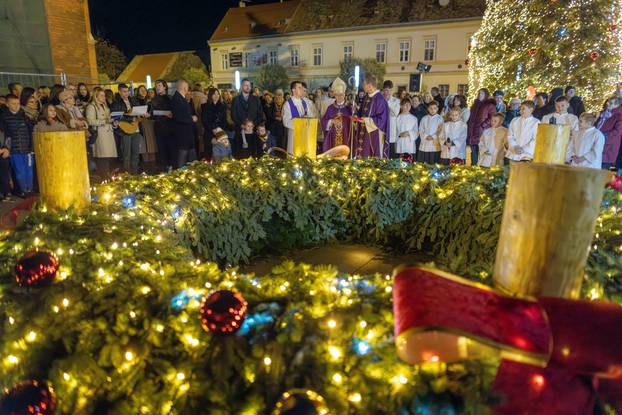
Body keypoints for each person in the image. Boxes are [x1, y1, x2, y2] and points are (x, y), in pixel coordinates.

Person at [0, 94, 34, 197]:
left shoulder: (25, 117)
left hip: (27, 149)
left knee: (29, 171)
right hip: (14, 150)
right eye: (13, 104)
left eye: (18, 104)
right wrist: (7, 148)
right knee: (19, 172)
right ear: (7, 104)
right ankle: (23, 190)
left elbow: (30, 132)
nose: (16, 106)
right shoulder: (4, 118)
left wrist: (31, 147)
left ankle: (30, 189)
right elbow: (6, 135)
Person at [111, 83, 146, 174]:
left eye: (128, 91)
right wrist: (130, 118)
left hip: (136, 129)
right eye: (124, 92)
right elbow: (116, 116)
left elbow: (139, 110)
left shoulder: (133, 100)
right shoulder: (116, 103)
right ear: (119, 92)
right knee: (126, 155)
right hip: (124, 131)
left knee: (136, 153)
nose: (127, 94)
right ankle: (127, 175)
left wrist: (142, 113)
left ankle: (134, 174)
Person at [354, 75, 389, 158]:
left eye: (364, 85)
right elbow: (361, 112)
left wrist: (366, 120)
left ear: (369, 85)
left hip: (374, 134)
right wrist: (356, 115)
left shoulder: (380, 99)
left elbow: (382, 120)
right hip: (364, 131)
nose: (363, 87)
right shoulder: (366, 97)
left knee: (371, 156)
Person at [86, 89, 117, 178]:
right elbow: (90, 121)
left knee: (107, 159)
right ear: (96, 96)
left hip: (108, 134)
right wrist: (104, 121)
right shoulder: (91, 107)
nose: (104, 97)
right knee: (102, 158)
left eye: (104, 95)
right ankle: (104, 178)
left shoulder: (105, 106)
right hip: (100, 135)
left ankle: (108, 177)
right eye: (101, 96)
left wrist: (114, 123)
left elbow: (108, 120)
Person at [232, 79, 265, 158]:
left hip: (253, 132)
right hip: (240, 132)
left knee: (253, 152)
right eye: (246, 85)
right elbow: (234, 115)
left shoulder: (256, 99)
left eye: (249, 85)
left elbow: (260, 114)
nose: (248, 87)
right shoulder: (236, 100)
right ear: (241, 86)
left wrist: (253, 124)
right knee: (241, 153)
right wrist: (241, 125)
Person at [282, 80, 316, 155]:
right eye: (299, 88)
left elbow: (312, 116)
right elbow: (286, 122)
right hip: (294, 135)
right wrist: (300, 121)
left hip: (306, 134)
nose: (301, 90)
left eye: (302, 88)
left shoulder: (305, 102)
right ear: (293, 90)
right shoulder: (288, 104)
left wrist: (308, 117)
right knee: (294, 156)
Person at [170, 79, 197, 167]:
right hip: (182, 133)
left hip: (186, 132)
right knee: (183, 155)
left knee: (188, 154)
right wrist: (191, 118)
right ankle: (180, 173)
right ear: (185, 87)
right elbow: (179, 117)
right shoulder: (177, 99)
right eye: (187, 87)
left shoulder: (181, 98)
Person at [321, 78, 352, 153]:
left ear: (344, 95)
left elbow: (354, 122)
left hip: (346, 137)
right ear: (334, 95)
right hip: (332, 138)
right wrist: (331, 121)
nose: (339, 97)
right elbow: (323, 121)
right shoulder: (330, 108)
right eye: (337, 95)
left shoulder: (349, 108)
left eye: (341, 95)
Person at [467, 88, 496, 165]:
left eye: (482, 93)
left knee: (482, 152)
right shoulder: (474, 105)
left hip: (482, 132)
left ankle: (481, 170)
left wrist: (483, 125)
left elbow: (492, 117)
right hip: (472, 132)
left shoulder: (489, 105)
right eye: (479, 93)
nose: (480, 95)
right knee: (473, 152)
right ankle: (473, 169)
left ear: (486, 95)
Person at [150, 80, 174, 171]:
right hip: (159, 127)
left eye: (159, 85)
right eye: (156, 86)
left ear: (165, 87)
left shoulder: (170, 98)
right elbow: (152, 113)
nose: (157, 87)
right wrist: (164, 113)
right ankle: (163, 168)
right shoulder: (154, 100)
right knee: (161, 149)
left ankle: (171, 167)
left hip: (170, 127)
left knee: (170, 147)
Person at [201, 87, 227, 161]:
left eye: (217, 94)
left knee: (220, 153)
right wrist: (212, 129)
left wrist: (219, 130)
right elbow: (204, 121)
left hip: (220, 133)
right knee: (209, 153)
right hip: (209, 133)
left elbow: (224, 121)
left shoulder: (223, 106)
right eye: (214, 94)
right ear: (210, 95)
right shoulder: (205, 106)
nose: (216, 95)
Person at [597, 96, 622, 170]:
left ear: (616, 105)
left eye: (611, 103)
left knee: (601, 175)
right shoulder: (604, 113)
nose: (607, 103)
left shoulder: (619, 116)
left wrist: (603, 136)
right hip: (598, 145)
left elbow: (617, 132)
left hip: (608, 148)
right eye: (608, 101)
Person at [382, 80, 401, 158]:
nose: (387, 92)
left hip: (391, 128)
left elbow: (395, 113)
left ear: (391, 90)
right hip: (382, 127)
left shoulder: (396, 101)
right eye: (385, 90)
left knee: (391, 150)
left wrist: (387, 102)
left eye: (389, 90)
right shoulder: (380, 100)